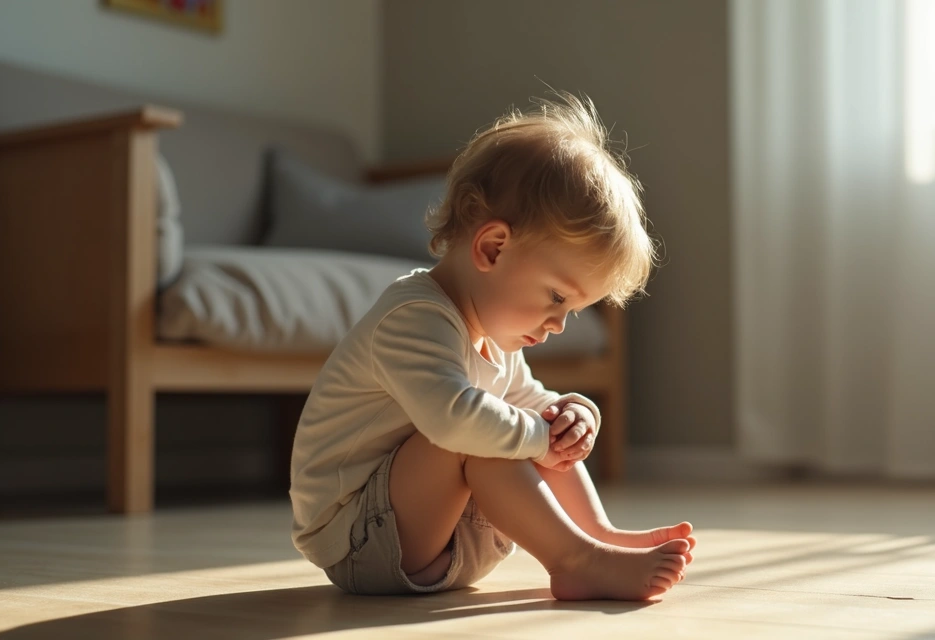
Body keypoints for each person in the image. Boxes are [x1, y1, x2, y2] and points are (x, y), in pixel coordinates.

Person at [289, 92, 694, 601]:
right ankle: (575, 560)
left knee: (525, 426)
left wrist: (568, 415)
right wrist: (537, 434)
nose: (559, 324)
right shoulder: (413, 317)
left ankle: (595, 536)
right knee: (479, 430)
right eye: (556, 297)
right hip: (359, 542)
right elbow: (452, 420)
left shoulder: (491, 335)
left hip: (438, 533)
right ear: (492, 247)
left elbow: (527, 402)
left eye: (572, 309)